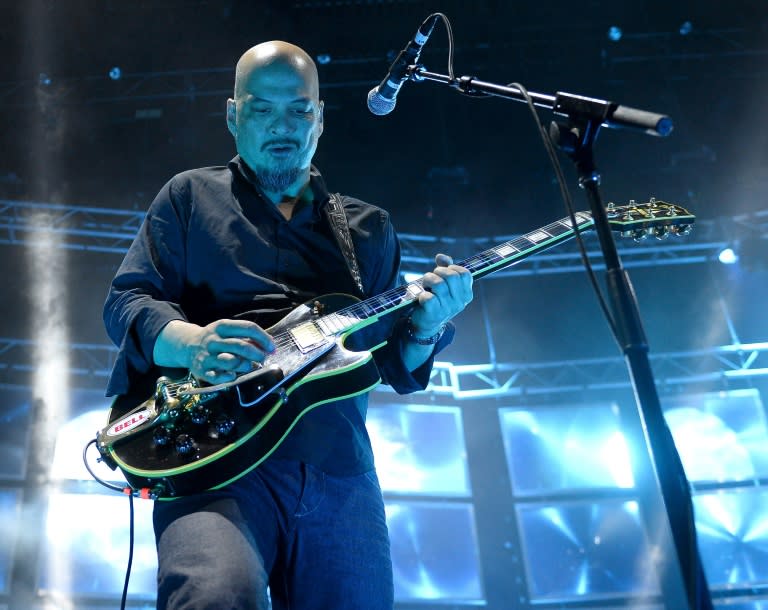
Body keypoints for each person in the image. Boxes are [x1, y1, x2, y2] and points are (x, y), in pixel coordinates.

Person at [103, 40, 473, 610]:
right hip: (213, 458)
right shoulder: (188, 198)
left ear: (319, 120)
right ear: (233, 116)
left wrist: (426, 326)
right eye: (262, 109)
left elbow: (397, 364)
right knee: (216, 598)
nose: (283, 126)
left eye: (299, 110)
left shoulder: (368, 229)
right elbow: (130, 300)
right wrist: (193, 343)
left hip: (336, 467)